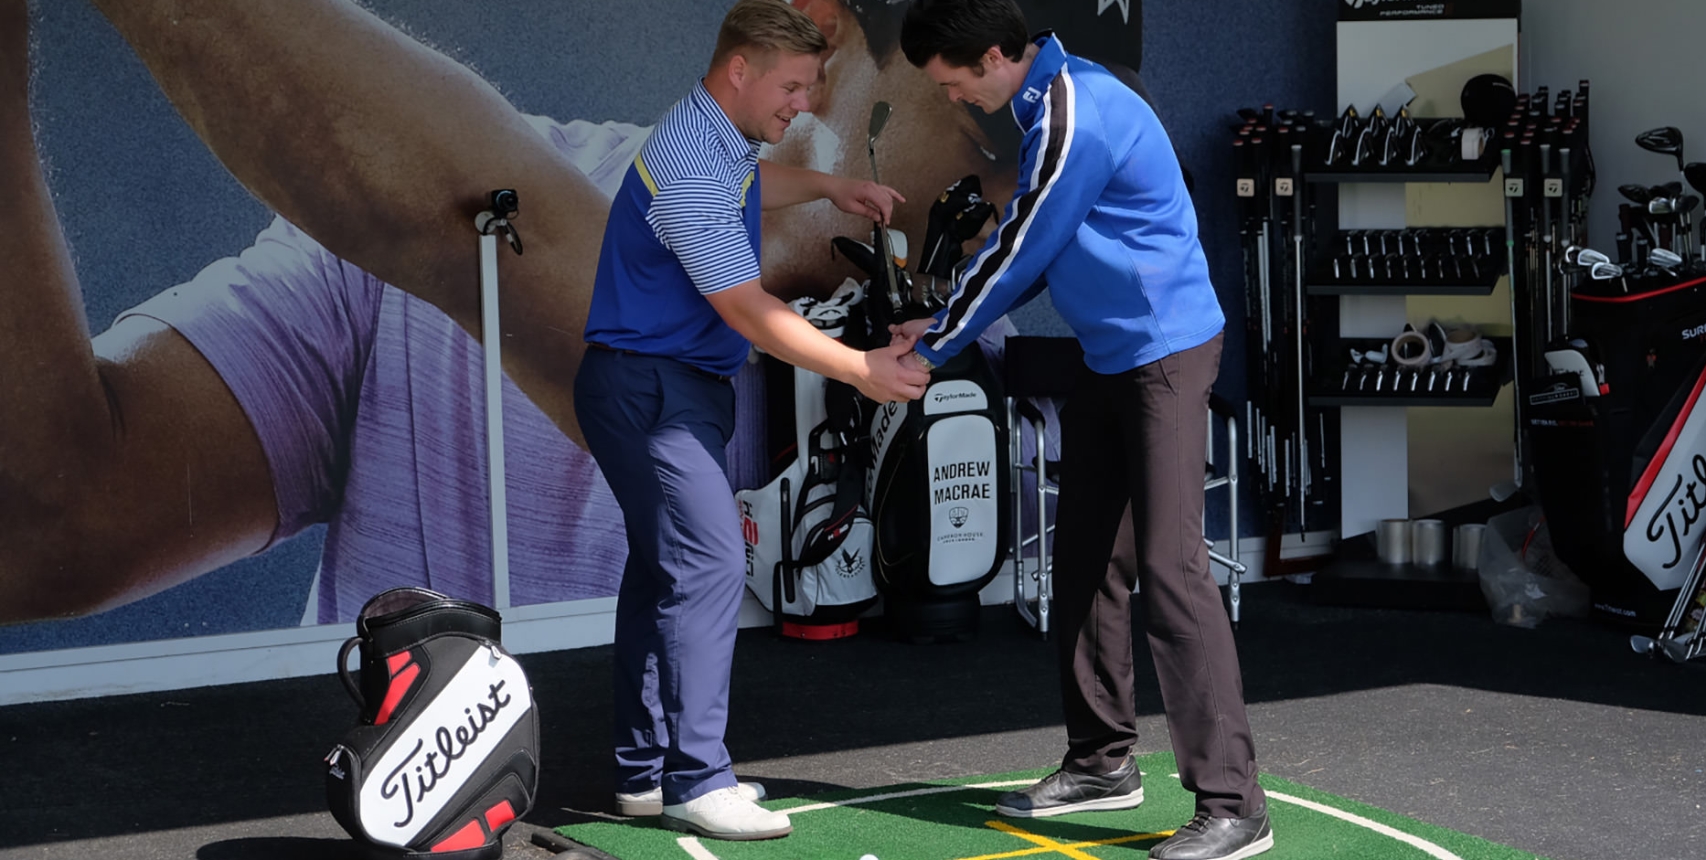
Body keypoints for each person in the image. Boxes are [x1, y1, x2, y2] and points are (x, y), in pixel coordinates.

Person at [0, 0, 1031, 633]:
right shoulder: (396, 230)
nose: (1056, 191)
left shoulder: (967, 354)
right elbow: (39, 522)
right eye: (1003, 127)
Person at [894, 3, 1271, 859]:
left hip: (1167, 354)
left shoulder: (1075, 109)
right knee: (1088, 558)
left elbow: (1027, 241)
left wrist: (942, 338)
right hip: (1110, 354)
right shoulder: (1041, 104)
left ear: (993, 54)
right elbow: (1030, 236)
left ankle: (1235, 806)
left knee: (1173, 571)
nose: (951, 95)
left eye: (953, 79)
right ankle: (1103, 763)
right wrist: (942, 320)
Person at [570, 0, 925, 842]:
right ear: (740, 70)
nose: (802, 104)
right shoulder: (694, 156)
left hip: (669, 384)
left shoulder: (716, 140)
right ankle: (697, 776)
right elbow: (746, 307)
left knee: (667, 571)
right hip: (650, 390)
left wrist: (834, 187)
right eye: (793, 86)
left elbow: (750, 185)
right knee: (711, 562)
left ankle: (644, 773)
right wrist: (862, 371)